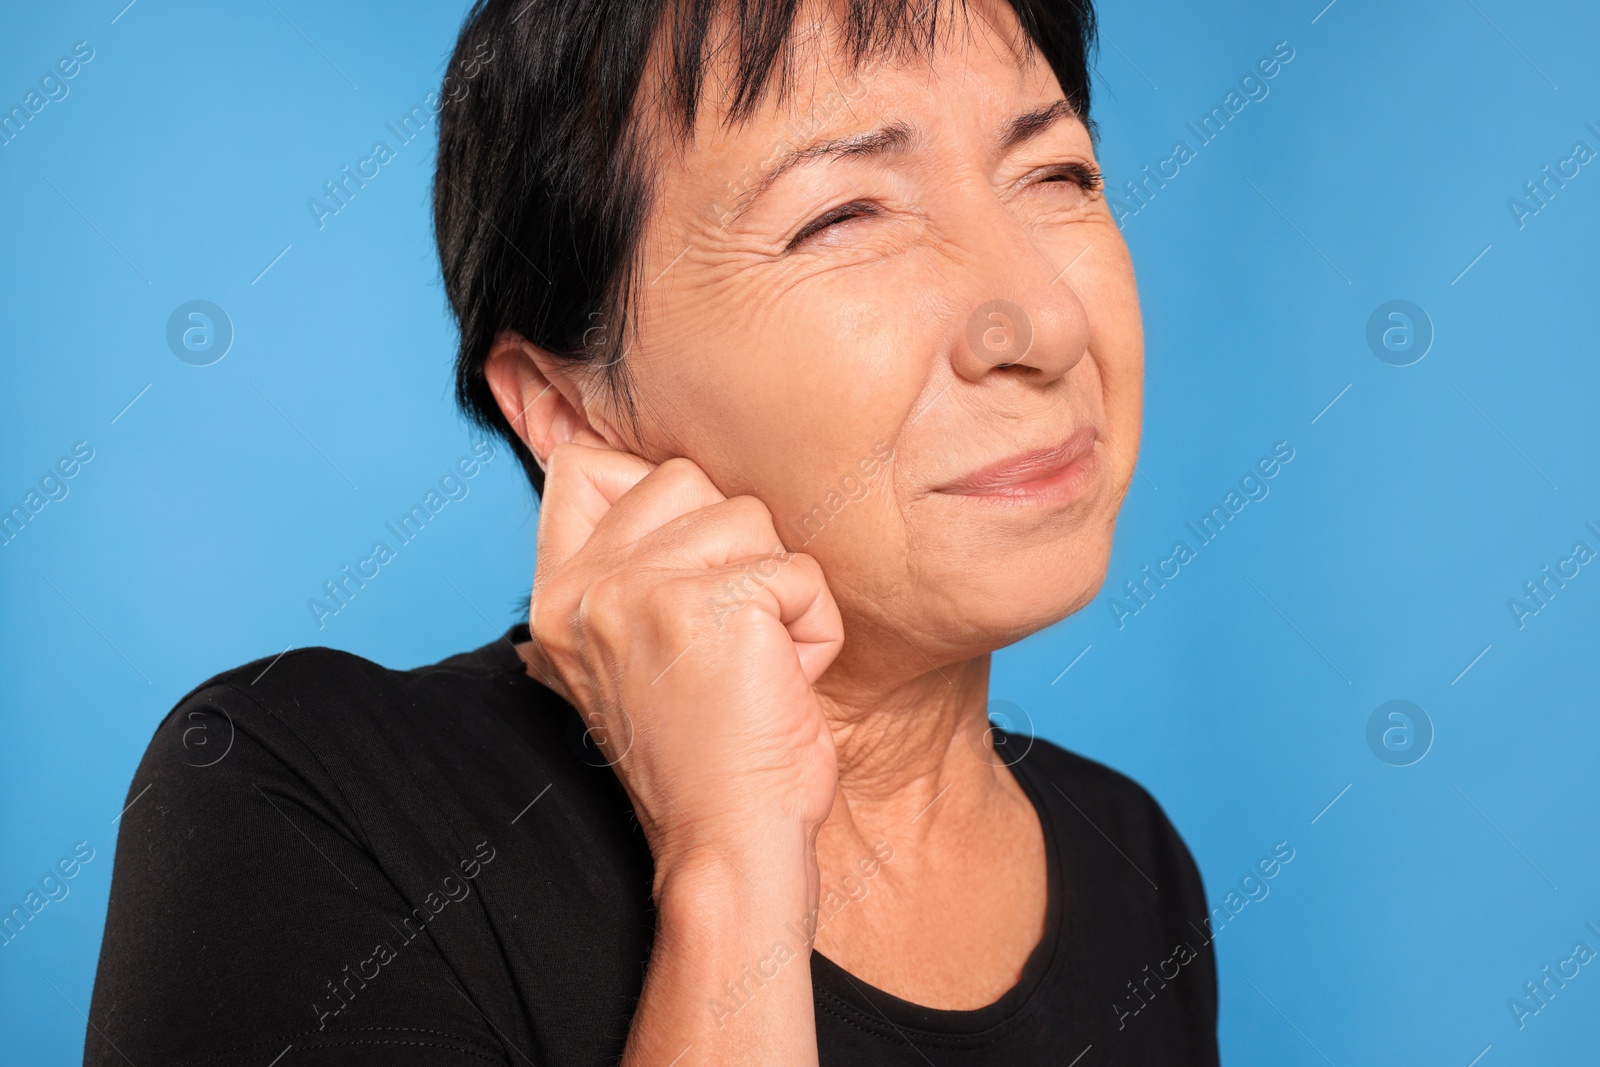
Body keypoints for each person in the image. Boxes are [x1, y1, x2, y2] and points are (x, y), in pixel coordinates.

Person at [85, 0, 1219, 1063]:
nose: (1044, 320)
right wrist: (730, 865)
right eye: (843, 215)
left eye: (1056, 172)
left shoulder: (1129, 856)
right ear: (569, 408)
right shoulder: (308, 806)